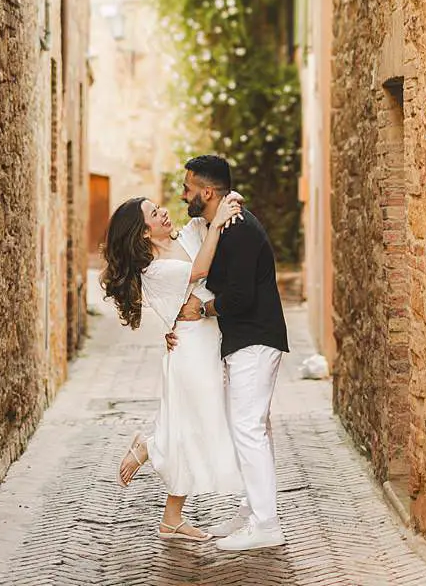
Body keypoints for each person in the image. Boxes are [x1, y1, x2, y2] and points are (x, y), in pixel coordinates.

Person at [101, 192, 246, 540]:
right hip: (190, 347)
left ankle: (171, 518)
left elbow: (210, 218)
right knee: (197, 424)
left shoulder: (187, 235)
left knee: (193, 425)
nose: (164, 212)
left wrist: (228, 201)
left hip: (205, 339)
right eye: (154, 213)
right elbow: (200, 271)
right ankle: (151, 446)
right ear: (143, 233)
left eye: (159, 207)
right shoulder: (154, 268)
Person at [167, 154, 291, 552]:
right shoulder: (219, 223)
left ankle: (266, 523)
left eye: (188, 188)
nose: (183, 194)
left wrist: (203, 310)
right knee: (253, 428)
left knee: (248, 428)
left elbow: (239, 296)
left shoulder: (237, 227)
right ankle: (251, 509)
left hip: (255, 340)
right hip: (246, 340)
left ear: (207, 192)